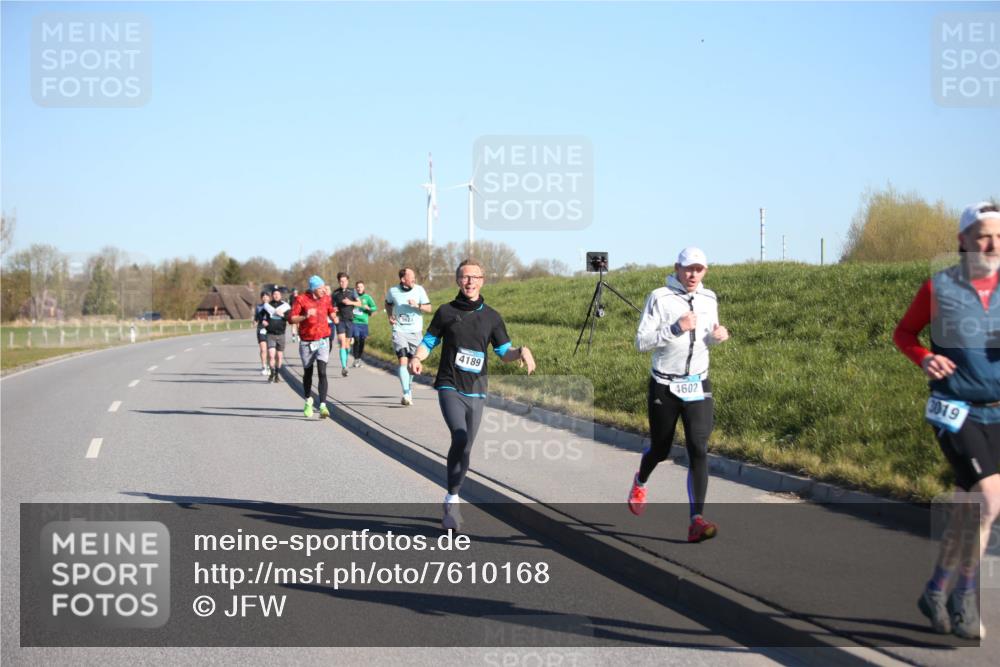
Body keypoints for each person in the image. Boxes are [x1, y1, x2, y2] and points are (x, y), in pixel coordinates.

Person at [894, 201, 1000, 640]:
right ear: (962, 241)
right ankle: (964, 598)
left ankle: (936, 589)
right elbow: (904, 333)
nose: (993, 245)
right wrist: (925, 358)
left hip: (996, 411)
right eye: (983, 236)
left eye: (999, 237)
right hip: (955, 410)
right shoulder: (940, 287)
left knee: (967, 515)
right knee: (990, 503)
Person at [409, 259, 536, 530]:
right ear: (458, 280)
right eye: (465, 277)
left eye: (474, 277)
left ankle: (452, 493)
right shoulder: (445, 312)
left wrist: (521, 352)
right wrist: (417, 357)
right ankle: (453, 502)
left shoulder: (492, 317)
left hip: (477, 391)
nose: (469, 282)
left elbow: (503, 353)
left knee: (466, 447)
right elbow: (429, 342)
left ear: (482, 280)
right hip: (449, 385)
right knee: (460, 435)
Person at [627, 247, 730, 543]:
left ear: (705, 271)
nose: (693, 274)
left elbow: (707, 336)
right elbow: (641, 342)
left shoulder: (709, 299)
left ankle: (696, 520)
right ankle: (640, 479)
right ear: (677, 268)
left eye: (699, 269)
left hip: (698, 383)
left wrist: (717, 336)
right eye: (688, 269)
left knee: (698, 446)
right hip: (665, 385)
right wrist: (676, 327)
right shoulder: (659, 297)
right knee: (661, 448)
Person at [290, 276, 339, 418]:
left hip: (323, 340)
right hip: (307, 342)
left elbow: (331, 310)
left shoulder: (326, 298)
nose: (324, 290)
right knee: (308, 373)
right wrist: (305, 316)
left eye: (324, 287)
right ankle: (308, 400)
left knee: (322, 371)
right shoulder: (301, 299)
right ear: (313, 289)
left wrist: (335, 317)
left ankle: (323, 405)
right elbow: (292, 319)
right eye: (320, 288)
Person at [385, 267, 432, 405]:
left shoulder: (419, 290)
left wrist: (417, 305)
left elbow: (429, 308)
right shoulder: (393, 291)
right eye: (411, 276)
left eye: (414, 276)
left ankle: (408, 388)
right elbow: (387, 304)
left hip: (416, 332)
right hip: (399, 330)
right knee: (403, 361)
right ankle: (406, 393)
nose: (414, 278)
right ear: (403, 279)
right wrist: (390, 316)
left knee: (412, 364)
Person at [331, 272, 363, 377]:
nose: (343, 283)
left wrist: (350, 302)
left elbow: (359, 303)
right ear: (338, 281)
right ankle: (344, 367)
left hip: (350, 320)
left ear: (347, 281)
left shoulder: (352, 292)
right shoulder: (335, 293)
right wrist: (334, 313)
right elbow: (331, 308)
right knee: (342, 343)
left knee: (347, 345)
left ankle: (345, 362)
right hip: (340, 320)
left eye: (344, 281)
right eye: (341, 281)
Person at [262, 286, 291, 383]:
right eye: (274, 294)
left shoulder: (285, 306)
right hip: (270, 334)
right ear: (272, 296)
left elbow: (289, 318)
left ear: (280, 295)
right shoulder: (267, 306)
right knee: (271, 355)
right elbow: (262, 317)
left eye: (277, 294)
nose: (276, 296)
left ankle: (277, 374)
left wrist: (282, 315)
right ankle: (272, 373)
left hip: (281, 334)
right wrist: (264, 321)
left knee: (279, 356)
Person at [351, 280, 377, 368]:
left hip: (364, 323)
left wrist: (368, 308)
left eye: (361, 287)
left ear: (364, 288)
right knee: (356, 339)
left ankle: (358, 358)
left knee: (362, 341)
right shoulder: (352, 297)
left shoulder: (367, 297)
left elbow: (374, 307)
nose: (359, 289)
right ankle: (355, 359)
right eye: (357, 287)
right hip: (354, 322)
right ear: (355, 288)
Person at [254, 291, 271, 376]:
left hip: (271, 329)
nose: (265, 297)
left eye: (266, 296)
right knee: (263, 349)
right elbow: (256, 318)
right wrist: (255, 322)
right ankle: (264, 366)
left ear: (269, 297)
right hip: (261, 329)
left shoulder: (272, 306)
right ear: (261, 298)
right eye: (263, 296)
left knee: (270, 350)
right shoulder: (258, 307)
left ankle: (269, 366)